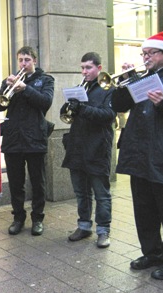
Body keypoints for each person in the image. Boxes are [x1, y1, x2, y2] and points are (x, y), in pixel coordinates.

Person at [111, 32, 163, 279]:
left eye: (150, 53)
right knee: (144, 210)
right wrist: (125, 80)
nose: (145, 57)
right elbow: (118, 105)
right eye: (143, 53)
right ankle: (152, 252)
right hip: (139, 155)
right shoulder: (141, 78)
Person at [0, 46, 54, 236]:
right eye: (20, 60)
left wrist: (26, 88)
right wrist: (6, 86)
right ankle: (18, 217)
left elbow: (46, 102)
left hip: (35, 137)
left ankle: (37, 218)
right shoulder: (10, 80)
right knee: (15, 183)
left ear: (34, 61)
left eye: (27, 60)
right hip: (13, 139)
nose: (23, 63)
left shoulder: (45, 80)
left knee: (38, 182)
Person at [60, 52, 115, 248]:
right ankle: (84, 226)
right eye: (82, 68)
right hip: (77, 148)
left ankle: (103, 231)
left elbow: (108, 115)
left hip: (98, 149)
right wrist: (69, 107)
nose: (84, 72)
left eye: (89, 68)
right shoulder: (78, 88)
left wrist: (82, 108)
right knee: (81, 193)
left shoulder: (108, 89)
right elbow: (68, 115)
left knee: (101, 194)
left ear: (99, 68)